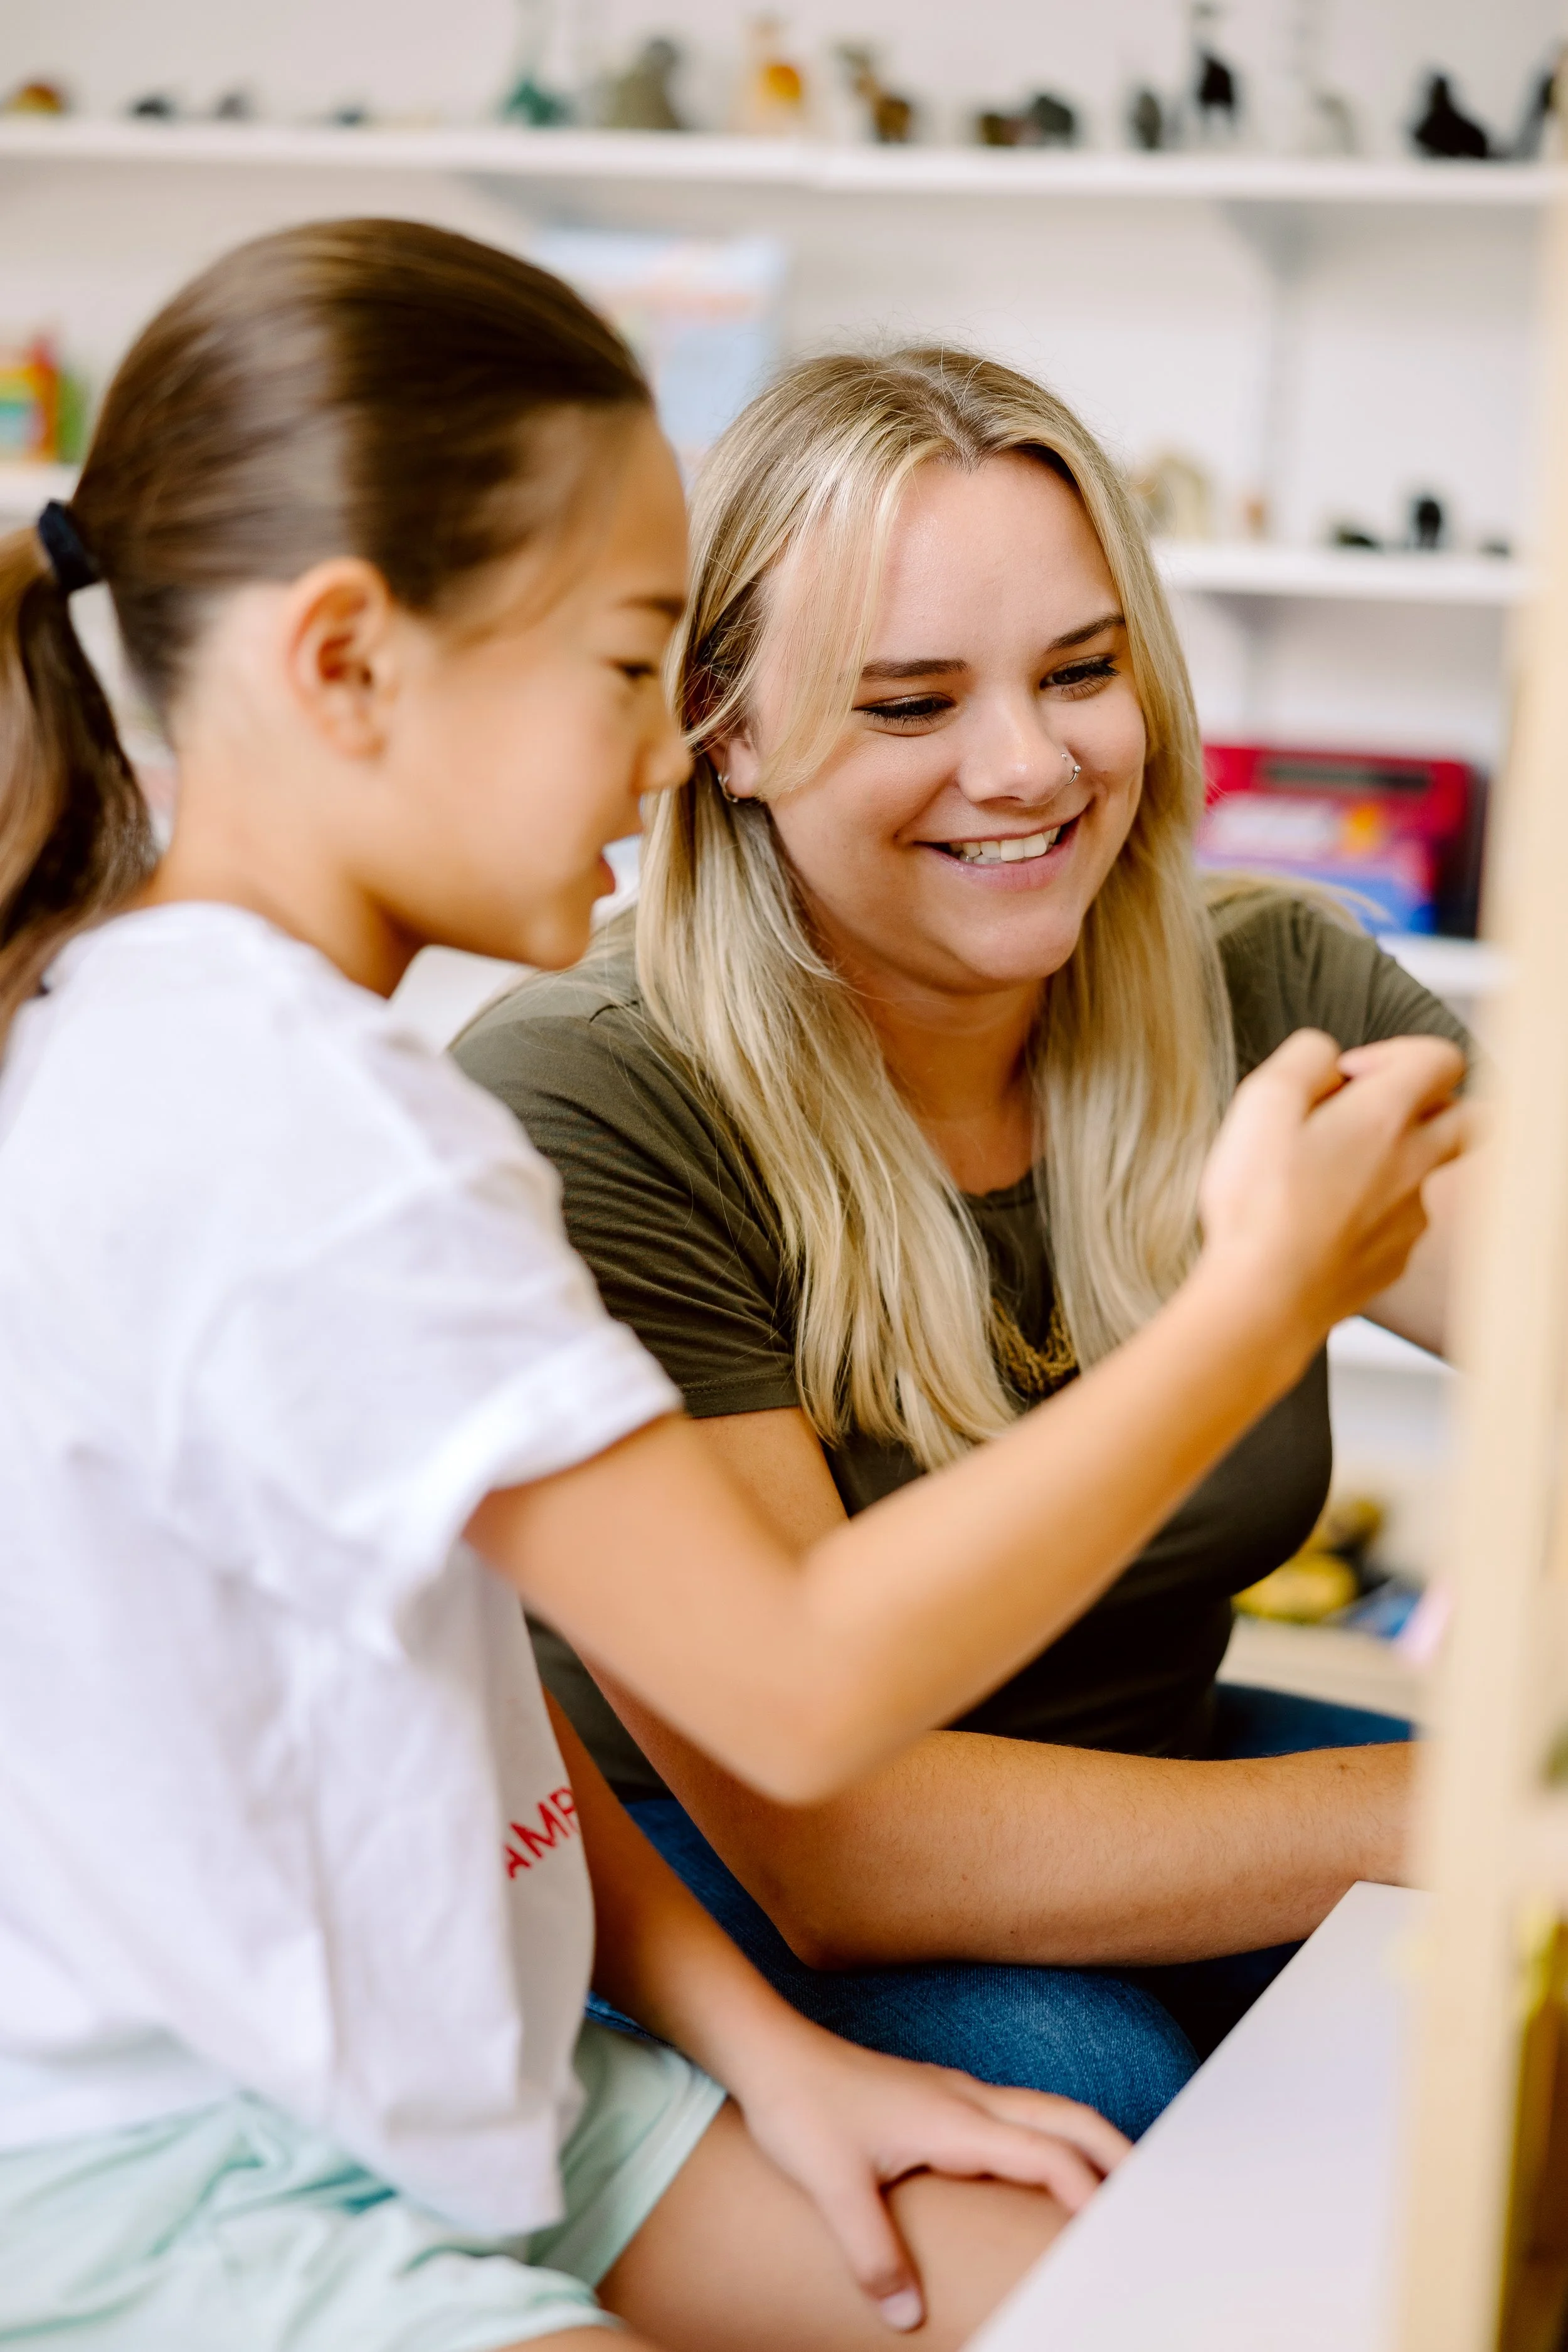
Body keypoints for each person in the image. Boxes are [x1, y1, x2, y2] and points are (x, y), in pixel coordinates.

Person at [0, 227, 1458, 2351]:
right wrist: (1251, 1301)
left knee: (1112, 2279)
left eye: (1073, 670)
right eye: (624, 668)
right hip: (199, 2162)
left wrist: (764, 2058)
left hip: (493, 2048)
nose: (672, 752)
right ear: (343, 666)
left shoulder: (284, 1071)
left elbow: (463, 1683)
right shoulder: (310, 1144)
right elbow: (793, 1700)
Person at [456, 346, 1473, 2131]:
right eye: (910, 704)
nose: (1024, 766)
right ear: (729, 732)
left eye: (1078, 672)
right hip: (720, 1872)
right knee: (1102, 2104)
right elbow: (845, 1853)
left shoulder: (1274, 988)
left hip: (1144, 1769)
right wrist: (1474, 1816)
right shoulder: (589, 1102)